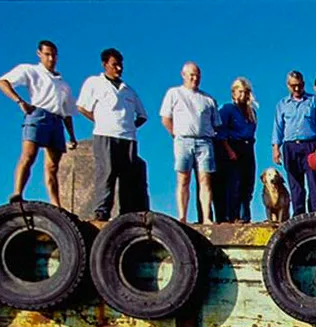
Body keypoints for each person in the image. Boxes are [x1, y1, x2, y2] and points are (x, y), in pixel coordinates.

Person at [0, 40, 77, 207]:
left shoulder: (63, 84)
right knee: (28, 156)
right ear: (39, 54)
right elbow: (3, 82)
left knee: (52, 167)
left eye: (53, 55)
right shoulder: (31, 70)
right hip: (38, 114)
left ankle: (56, 205)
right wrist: (19, 101)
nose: (51, 59)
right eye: (47, 54)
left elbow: (68, 113)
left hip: (57, 120)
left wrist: (72, 136)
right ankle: (17, 193)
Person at [76, 47, 147, 220]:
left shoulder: (128, 90)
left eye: (120, 65)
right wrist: (100, 120)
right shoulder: (94, 82)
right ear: (105, 64)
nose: (119, 69)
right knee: (106, 172)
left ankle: (127, 213)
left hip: (128, 137)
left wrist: (130, 126)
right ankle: (102, 211)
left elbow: (143, 115)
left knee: (128, 177)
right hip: (105, 134)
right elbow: (82, 107)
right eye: (114, 65)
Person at [160, 61, 220, 223]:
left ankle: (206, 217)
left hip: (204, 142)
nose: (195, 78)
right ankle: (182, 216)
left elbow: (216, 124)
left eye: (197, 75)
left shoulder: (208, 99)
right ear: (184, 75)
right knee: (183, 178)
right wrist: (176, 134)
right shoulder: (174, 93)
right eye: (192, 75)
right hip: (183, 141)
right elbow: (165, 118)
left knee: (205, 180)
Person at [270, 70, 316, 217]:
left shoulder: (314, 101)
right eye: (293, 86)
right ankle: (299, 216)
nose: (296, 89)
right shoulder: (282, 104)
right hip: (290, 146)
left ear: (303, 84)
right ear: (288, 85)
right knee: (295, 185)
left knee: (314, 183)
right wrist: (276, 148)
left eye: (299, 85)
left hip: (311, 146)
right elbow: (278, 127)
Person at [212, 77, 257, 223]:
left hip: (248, 147)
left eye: (245, 92)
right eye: (240, 92)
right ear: (234, 93)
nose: (243, 96)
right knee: (234, 183)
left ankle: (245, 216)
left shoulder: (251, 112)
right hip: (232, 146)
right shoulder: (227, 109)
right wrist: (229, 150)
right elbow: (221, 131)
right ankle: (233, 216)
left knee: (248, 182)